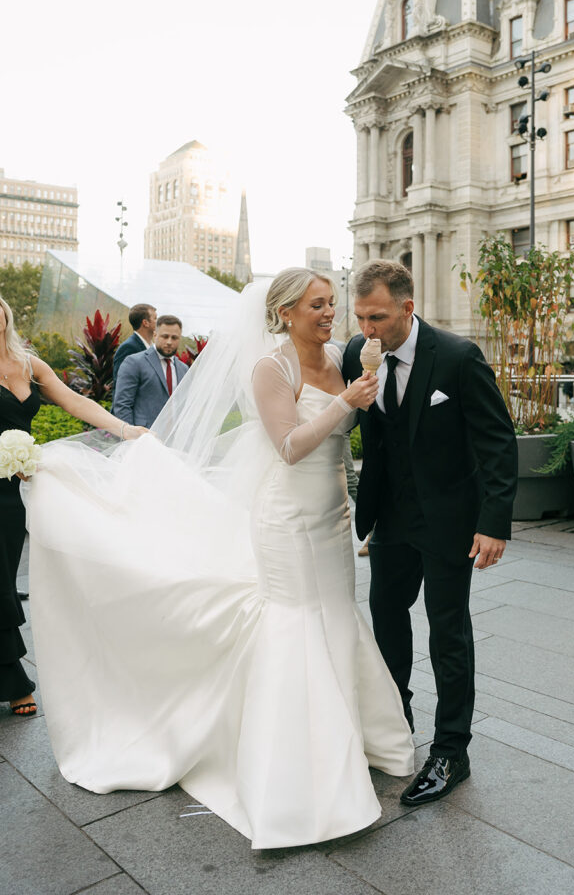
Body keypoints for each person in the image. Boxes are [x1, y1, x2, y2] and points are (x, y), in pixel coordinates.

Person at [22, 270, 414, 849]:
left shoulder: (341, 355)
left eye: (332, 304)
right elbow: (287, 446)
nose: (331, 314)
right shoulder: (270, 369)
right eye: (317, 305)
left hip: (333, 515)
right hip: (285, 518)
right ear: (284, 314)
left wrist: (365, 383)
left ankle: (348, 734)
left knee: (335, 614)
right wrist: (346, 403)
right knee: (295, 620)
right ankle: (293, 765)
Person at [342, 260, 517, 807]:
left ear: (407, 308)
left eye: (378, 317)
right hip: (390, 520)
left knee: (448, 633)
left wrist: (493, 523)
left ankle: (451, 751)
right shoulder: (355, 355)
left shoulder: (459, 358)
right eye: (361, 317)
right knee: (386, 623)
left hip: (448, 520)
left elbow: (497, 443)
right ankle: (396, 728)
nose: (368, 329)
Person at [0, 295, 145, 719]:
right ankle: (14, 681)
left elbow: (74, 402)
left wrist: (124, 429)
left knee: (6, 577)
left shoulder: (29, 365)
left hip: (12, 492)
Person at [112, 315, 188, 428]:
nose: (169, 342)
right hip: (143, 438)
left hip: (175, 438)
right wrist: (132, 437)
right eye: (165, 336)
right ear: (155, 335)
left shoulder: (184, 369)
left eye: (174, 338)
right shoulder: (134, 362)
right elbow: (122, 405)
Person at [112, 303, 157, 390]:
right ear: (145, 323)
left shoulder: (153, 347)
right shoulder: (128, 348)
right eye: (155, 318)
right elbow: (121, 385)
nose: (158, 322)